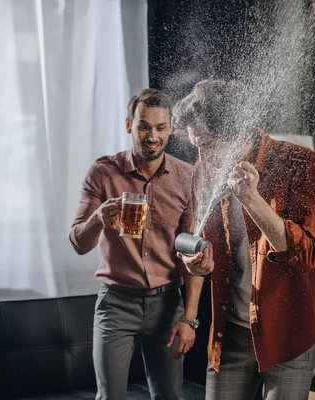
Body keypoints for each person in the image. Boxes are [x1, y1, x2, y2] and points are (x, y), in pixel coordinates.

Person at [174, 79, 315, 400]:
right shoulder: (205, 171)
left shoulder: (300, 163)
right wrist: (198, 262)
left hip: (289, 334)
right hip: (231, 332)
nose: (202, 157)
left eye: (207, 145)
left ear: (237, 129)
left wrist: (251, 200)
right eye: (196, 146)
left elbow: (308, 255)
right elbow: (210, 247)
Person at [69, 88, 203, 400]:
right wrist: (99, 218)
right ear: (130, 125)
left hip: (168, 304)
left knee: (169, 397)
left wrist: (189, 317)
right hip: (116, 303)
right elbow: (78, 243)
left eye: (160, 127)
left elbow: (191, 254)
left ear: (171, 129)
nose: (152, 136)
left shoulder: (187, 177)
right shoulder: (103, 172)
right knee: (110, 397)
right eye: (144, 126)